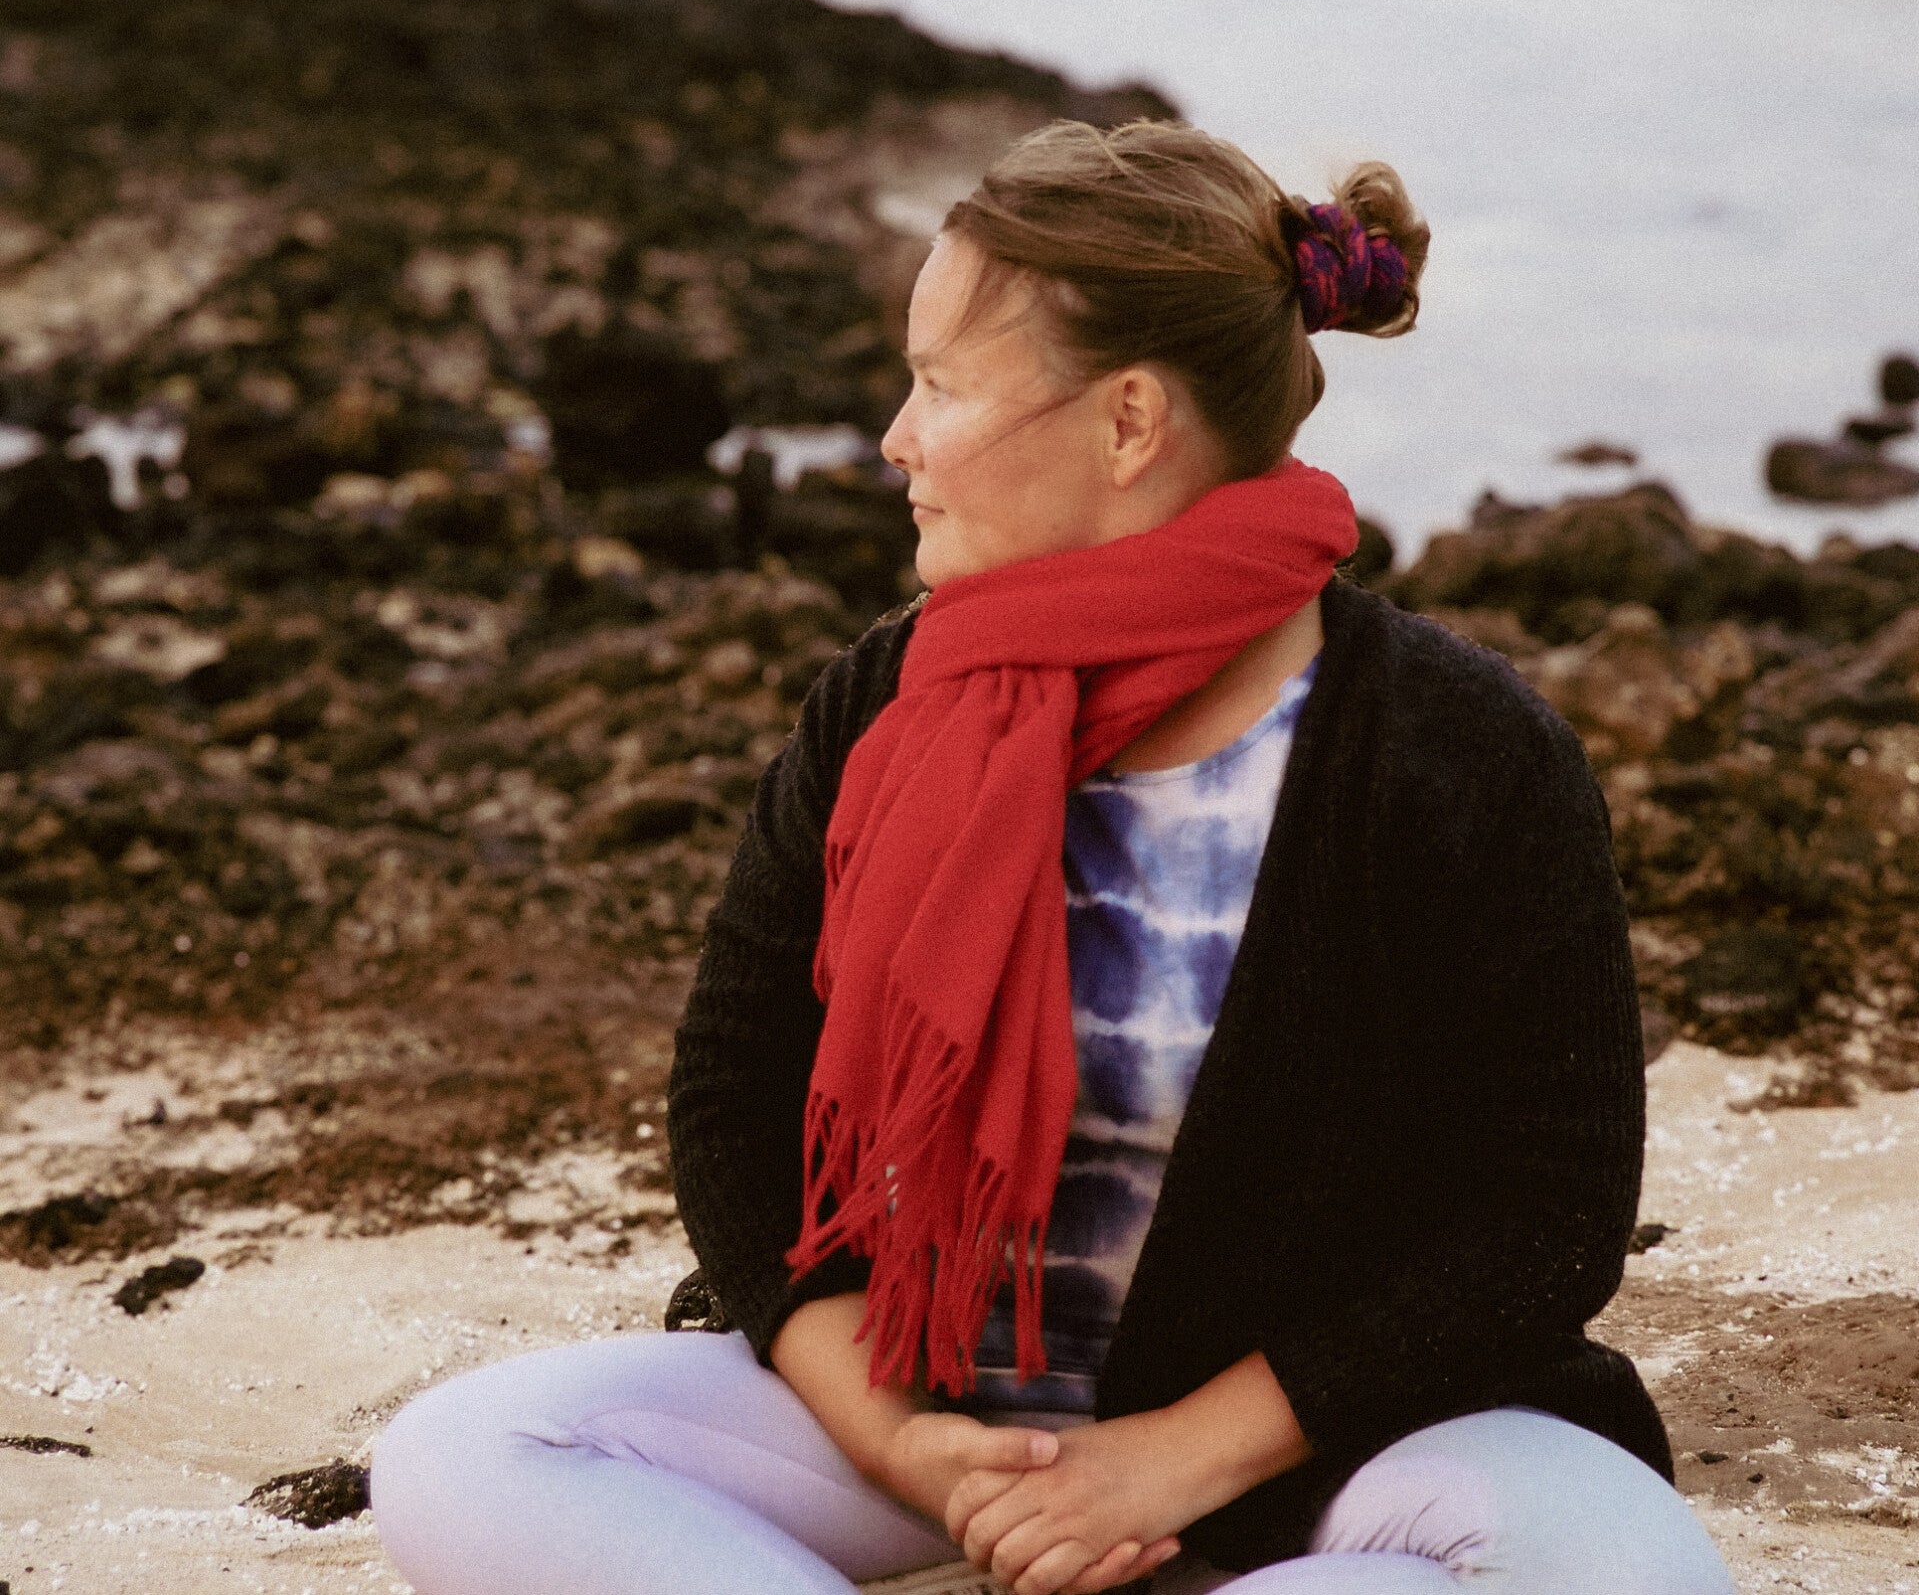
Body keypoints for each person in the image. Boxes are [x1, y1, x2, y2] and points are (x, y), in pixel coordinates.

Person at [370, 120, 1734, 1595]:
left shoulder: (1451, 747)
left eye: (941, 385)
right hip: (943, 1419)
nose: (894, 437)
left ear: (1130, 422)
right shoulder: (884, 705)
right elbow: (733, 1104)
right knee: (471, 1451)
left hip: (1324, 1455)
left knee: (1625, 1572)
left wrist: (1171, 1460)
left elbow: (1546, 1215)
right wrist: (908, 1446)